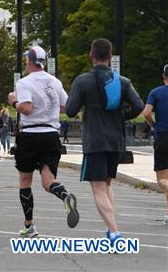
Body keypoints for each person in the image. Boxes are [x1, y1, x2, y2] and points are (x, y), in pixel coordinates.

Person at [65, 38, 144, 244]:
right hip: (116, 141)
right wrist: (122, 116)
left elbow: (71, 110)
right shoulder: (122, 81)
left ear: (92, 56)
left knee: (98, 188)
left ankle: (115, 232)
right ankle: (109, 229)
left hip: (95, 141)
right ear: (110, 57)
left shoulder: (83, 81)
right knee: (108, 184)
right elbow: (138, 106)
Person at [9, 45, 79, 237]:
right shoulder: (55, 82)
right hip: (51, 134)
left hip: (31, 134)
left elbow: (26, 108)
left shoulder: (24, 82)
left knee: (25, 180)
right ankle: (64, 195)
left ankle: (29, 225)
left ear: (29, 61)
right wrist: (49, 108)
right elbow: (67, 107)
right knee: (48, 181)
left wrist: (13, 101)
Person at [142, 63, 168, 225]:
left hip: (163, 136)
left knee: (162, 179)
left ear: (163, 76)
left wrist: (154, 125)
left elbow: (146, 113)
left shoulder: (156, 93)